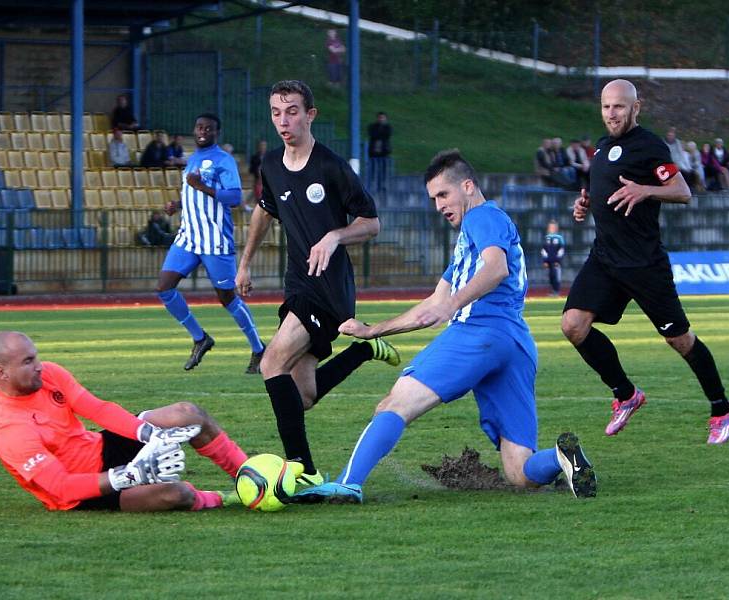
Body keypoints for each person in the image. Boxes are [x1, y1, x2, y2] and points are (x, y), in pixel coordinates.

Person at [292, 150, 596, 504]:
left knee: (394, 405)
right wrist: (374, 330)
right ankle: (562, 456)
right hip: (515, 345)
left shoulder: (481, 218)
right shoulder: (470, 242)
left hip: (479, 334)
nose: (438, 205)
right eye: (433, 198)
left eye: (443, 194)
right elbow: (433, 306)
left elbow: (495, 269)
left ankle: (347, 483)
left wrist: (456, 303)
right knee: (519, 471)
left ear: (467, 186)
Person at [235, 80, 401, 486]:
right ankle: (362, 351)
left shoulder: (331, 166)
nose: (283, 120)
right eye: (276, 112)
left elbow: (372, 222)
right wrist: (245, 264)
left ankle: (304, 471)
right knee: (302, 396)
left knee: (271, 363)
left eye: (291, 111)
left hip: (328, 288)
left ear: (311, 115)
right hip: (298, 285)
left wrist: (335, 235)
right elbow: (264, 211)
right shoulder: (271, 165)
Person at [562, 79, 729, 445]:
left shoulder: (650, 146)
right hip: (605, 258)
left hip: (644, 264)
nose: (612, 113)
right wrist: (586, 203)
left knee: (679, 340)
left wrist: (645, 190)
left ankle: (721, 408)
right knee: (573, 325)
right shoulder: (602, 146)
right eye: (607, 106)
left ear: (635, 108)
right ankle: (625, 394)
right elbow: (604, 191)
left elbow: (683, 192)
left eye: (619, 107)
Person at [0, 331, 250, 512]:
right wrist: (127, 476)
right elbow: (61, 487)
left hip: (100, 448)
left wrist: (147, 433)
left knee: (188, 413)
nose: (39, 365)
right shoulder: (8, 428)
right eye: (28, 361)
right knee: (177, 494)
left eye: (36, 356)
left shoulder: (50, 374)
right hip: (84, 491)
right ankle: (228, 499)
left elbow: (98, 409)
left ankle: (252, 477)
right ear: (2, 373)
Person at [158, 113, 265, 374]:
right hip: (188, 237)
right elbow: (196, 195)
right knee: (164, 288)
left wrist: (201, 186)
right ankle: (200, 338)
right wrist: (179, 204)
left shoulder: (224, 160)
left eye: (208, 128)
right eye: (199, 127)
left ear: (217, 133)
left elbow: (234, 197)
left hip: (214, 238)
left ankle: (260, 349)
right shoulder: (193, 158)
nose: (202, 131)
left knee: (227, 297)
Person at [367, 111, 392, 194]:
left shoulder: (387, 127)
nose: (381, 119)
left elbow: (387, 135)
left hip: (384, 153)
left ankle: (382, 186)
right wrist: (379, 133)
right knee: (373, 170)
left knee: (383, 171)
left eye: (383, 118)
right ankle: (372, 186)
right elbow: (372, 135)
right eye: (380, 118)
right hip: (373, 153)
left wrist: (379, 132)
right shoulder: (373, 127)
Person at [540, 219, 565, 296]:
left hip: (556, 262)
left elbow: (561, 250)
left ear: (556, 228)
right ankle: (552, 291)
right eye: (551, 227)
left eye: (554, 227)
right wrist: (545, 261)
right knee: (550, 276)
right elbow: (543, 250)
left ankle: (556, 291)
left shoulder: (559, 238)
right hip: (549, 261)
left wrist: (558, 260)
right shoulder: (546, 238)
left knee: (556, 276)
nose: (552, 229)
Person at [245, 139, 267, 212]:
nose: (263, 147)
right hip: (258, 180)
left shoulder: (269, 156)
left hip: (267, 180)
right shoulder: (254, 157)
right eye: (261, 146)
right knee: (257, 195)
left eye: (264, 145)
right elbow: (251, 170)